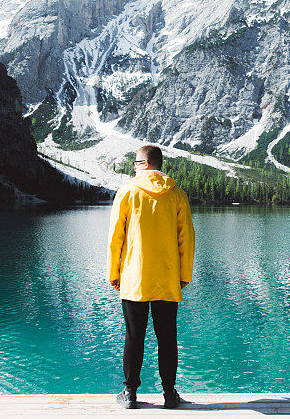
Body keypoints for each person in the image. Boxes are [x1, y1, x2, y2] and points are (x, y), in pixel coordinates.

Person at [106, 145, 195, 409]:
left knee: (134, 336)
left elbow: (115, 238)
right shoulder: (177, 194)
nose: (133, 166)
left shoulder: (127, 192)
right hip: (168, 278)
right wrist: (184, 275)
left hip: (135, 278)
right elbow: (187, 238)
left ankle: (130, 394)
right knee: (167, 337)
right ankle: (169, 394)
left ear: (144, 164)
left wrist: (113, 272)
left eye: (135, 162)